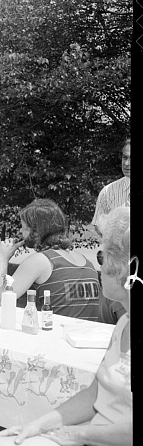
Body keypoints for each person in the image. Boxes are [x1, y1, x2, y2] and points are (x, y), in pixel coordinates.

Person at [0, 207, 133, 446]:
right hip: (97, 444)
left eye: (103, 255)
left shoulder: (39, 260)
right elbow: (95, 393)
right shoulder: (123, 323)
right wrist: (41, 423)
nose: (98, 264)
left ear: (125, 270)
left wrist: (79, 435)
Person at [0, 198, 101, 321]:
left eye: (25, 228)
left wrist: (2, 258)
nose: (21, 231)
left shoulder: (40, 261)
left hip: (57, 336)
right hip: (87, 335)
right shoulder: (87, 262)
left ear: (37, 231)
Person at [91, 137, 130, 325]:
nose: (127, 163)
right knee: (108, 336)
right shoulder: (108, 192)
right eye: (124, 158)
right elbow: (101, 230)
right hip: (112, 278)